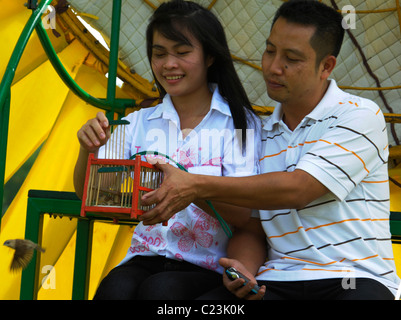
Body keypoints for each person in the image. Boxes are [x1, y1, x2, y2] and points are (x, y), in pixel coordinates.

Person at [140, 0, 400, 299]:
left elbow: (298, 189)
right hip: (274, 282)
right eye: (269, 50)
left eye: (291, 58)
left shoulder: (360, 115)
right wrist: (242, 268)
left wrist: (194, 185)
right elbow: (251, 225)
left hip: (352, 279)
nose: (273, 67)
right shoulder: (256, 132)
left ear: (326, 66)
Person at [73, 0, 261, 300]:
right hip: (144, 257)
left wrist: (192, 189)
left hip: (206, 264)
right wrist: (88, 150)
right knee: (113, 290)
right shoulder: (137, 123)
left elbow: (244, 212)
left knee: (161, 292)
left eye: (182, 53)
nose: (168, 64)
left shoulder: (239, 123)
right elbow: (92, 195)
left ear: (210, 56)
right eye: (159, 54)